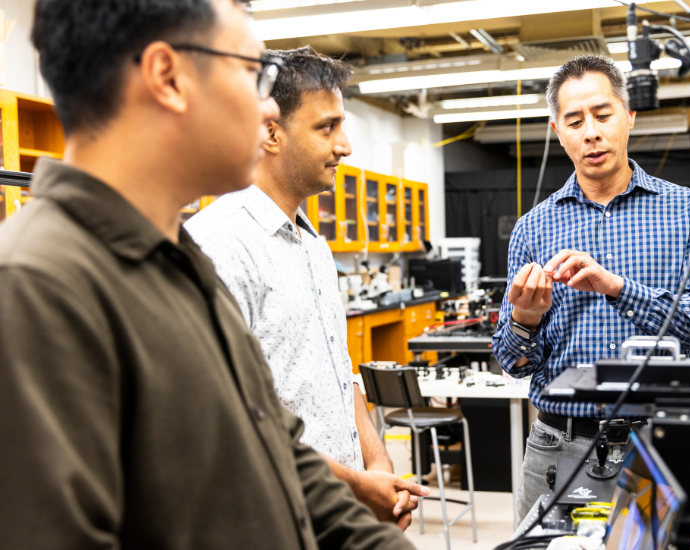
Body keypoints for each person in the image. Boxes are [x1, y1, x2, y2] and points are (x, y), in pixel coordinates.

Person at [0, 1, 420, 548]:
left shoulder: (177, 258)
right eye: (251, 73)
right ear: (168, 77)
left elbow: (275, 448)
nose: (266, 104)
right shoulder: (36, 286)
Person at [185, 46, 426, 529]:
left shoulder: (313, 244)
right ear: (271, 132)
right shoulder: (218, 246)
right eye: (327, 127)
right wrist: (359, 487)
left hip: (337, 511)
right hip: (274, 516)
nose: (345, 145)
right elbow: (233, 420)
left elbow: (340, 372)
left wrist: (375, 465)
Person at [490, 55, 690, 521]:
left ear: (629, 115)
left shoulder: (686, 212)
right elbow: (513, 364)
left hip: (658, 444)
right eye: (575, 121)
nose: (591, 132)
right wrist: (524, 320)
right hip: (555, 447)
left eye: (603, 115)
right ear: (557, 130)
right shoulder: (532, 228)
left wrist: (618, 288)